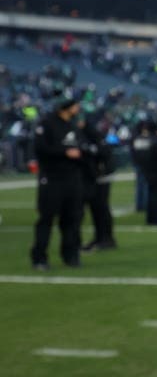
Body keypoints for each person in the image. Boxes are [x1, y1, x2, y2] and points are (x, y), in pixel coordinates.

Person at [30, 96, 86, 270]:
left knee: (73, 219)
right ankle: (39, 258)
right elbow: (40, 148)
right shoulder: (47, 124)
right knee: (46, 218)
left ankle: (71, 255)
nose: (77, 108)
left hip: (72, 178)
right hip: (52, 178)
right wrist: (65, 152)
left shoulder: (73, 125)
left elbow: (80, 146)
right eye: (75, 105)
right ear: (65, 107)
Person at [79, 113, 117, 251]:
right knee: (97, 209)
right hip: (95, 176)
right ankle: (100, 238)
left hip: (101, 177)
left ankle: (106, 238)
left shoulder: (94, 135)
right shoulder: (89, 135)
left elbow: (103, 153)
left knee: (101, 208)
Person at [129, 119, 157, 225]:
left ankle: (150, 217)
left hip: (146, 170)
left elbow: (135, 155)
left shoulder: (140, 140)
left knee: (151, 194)